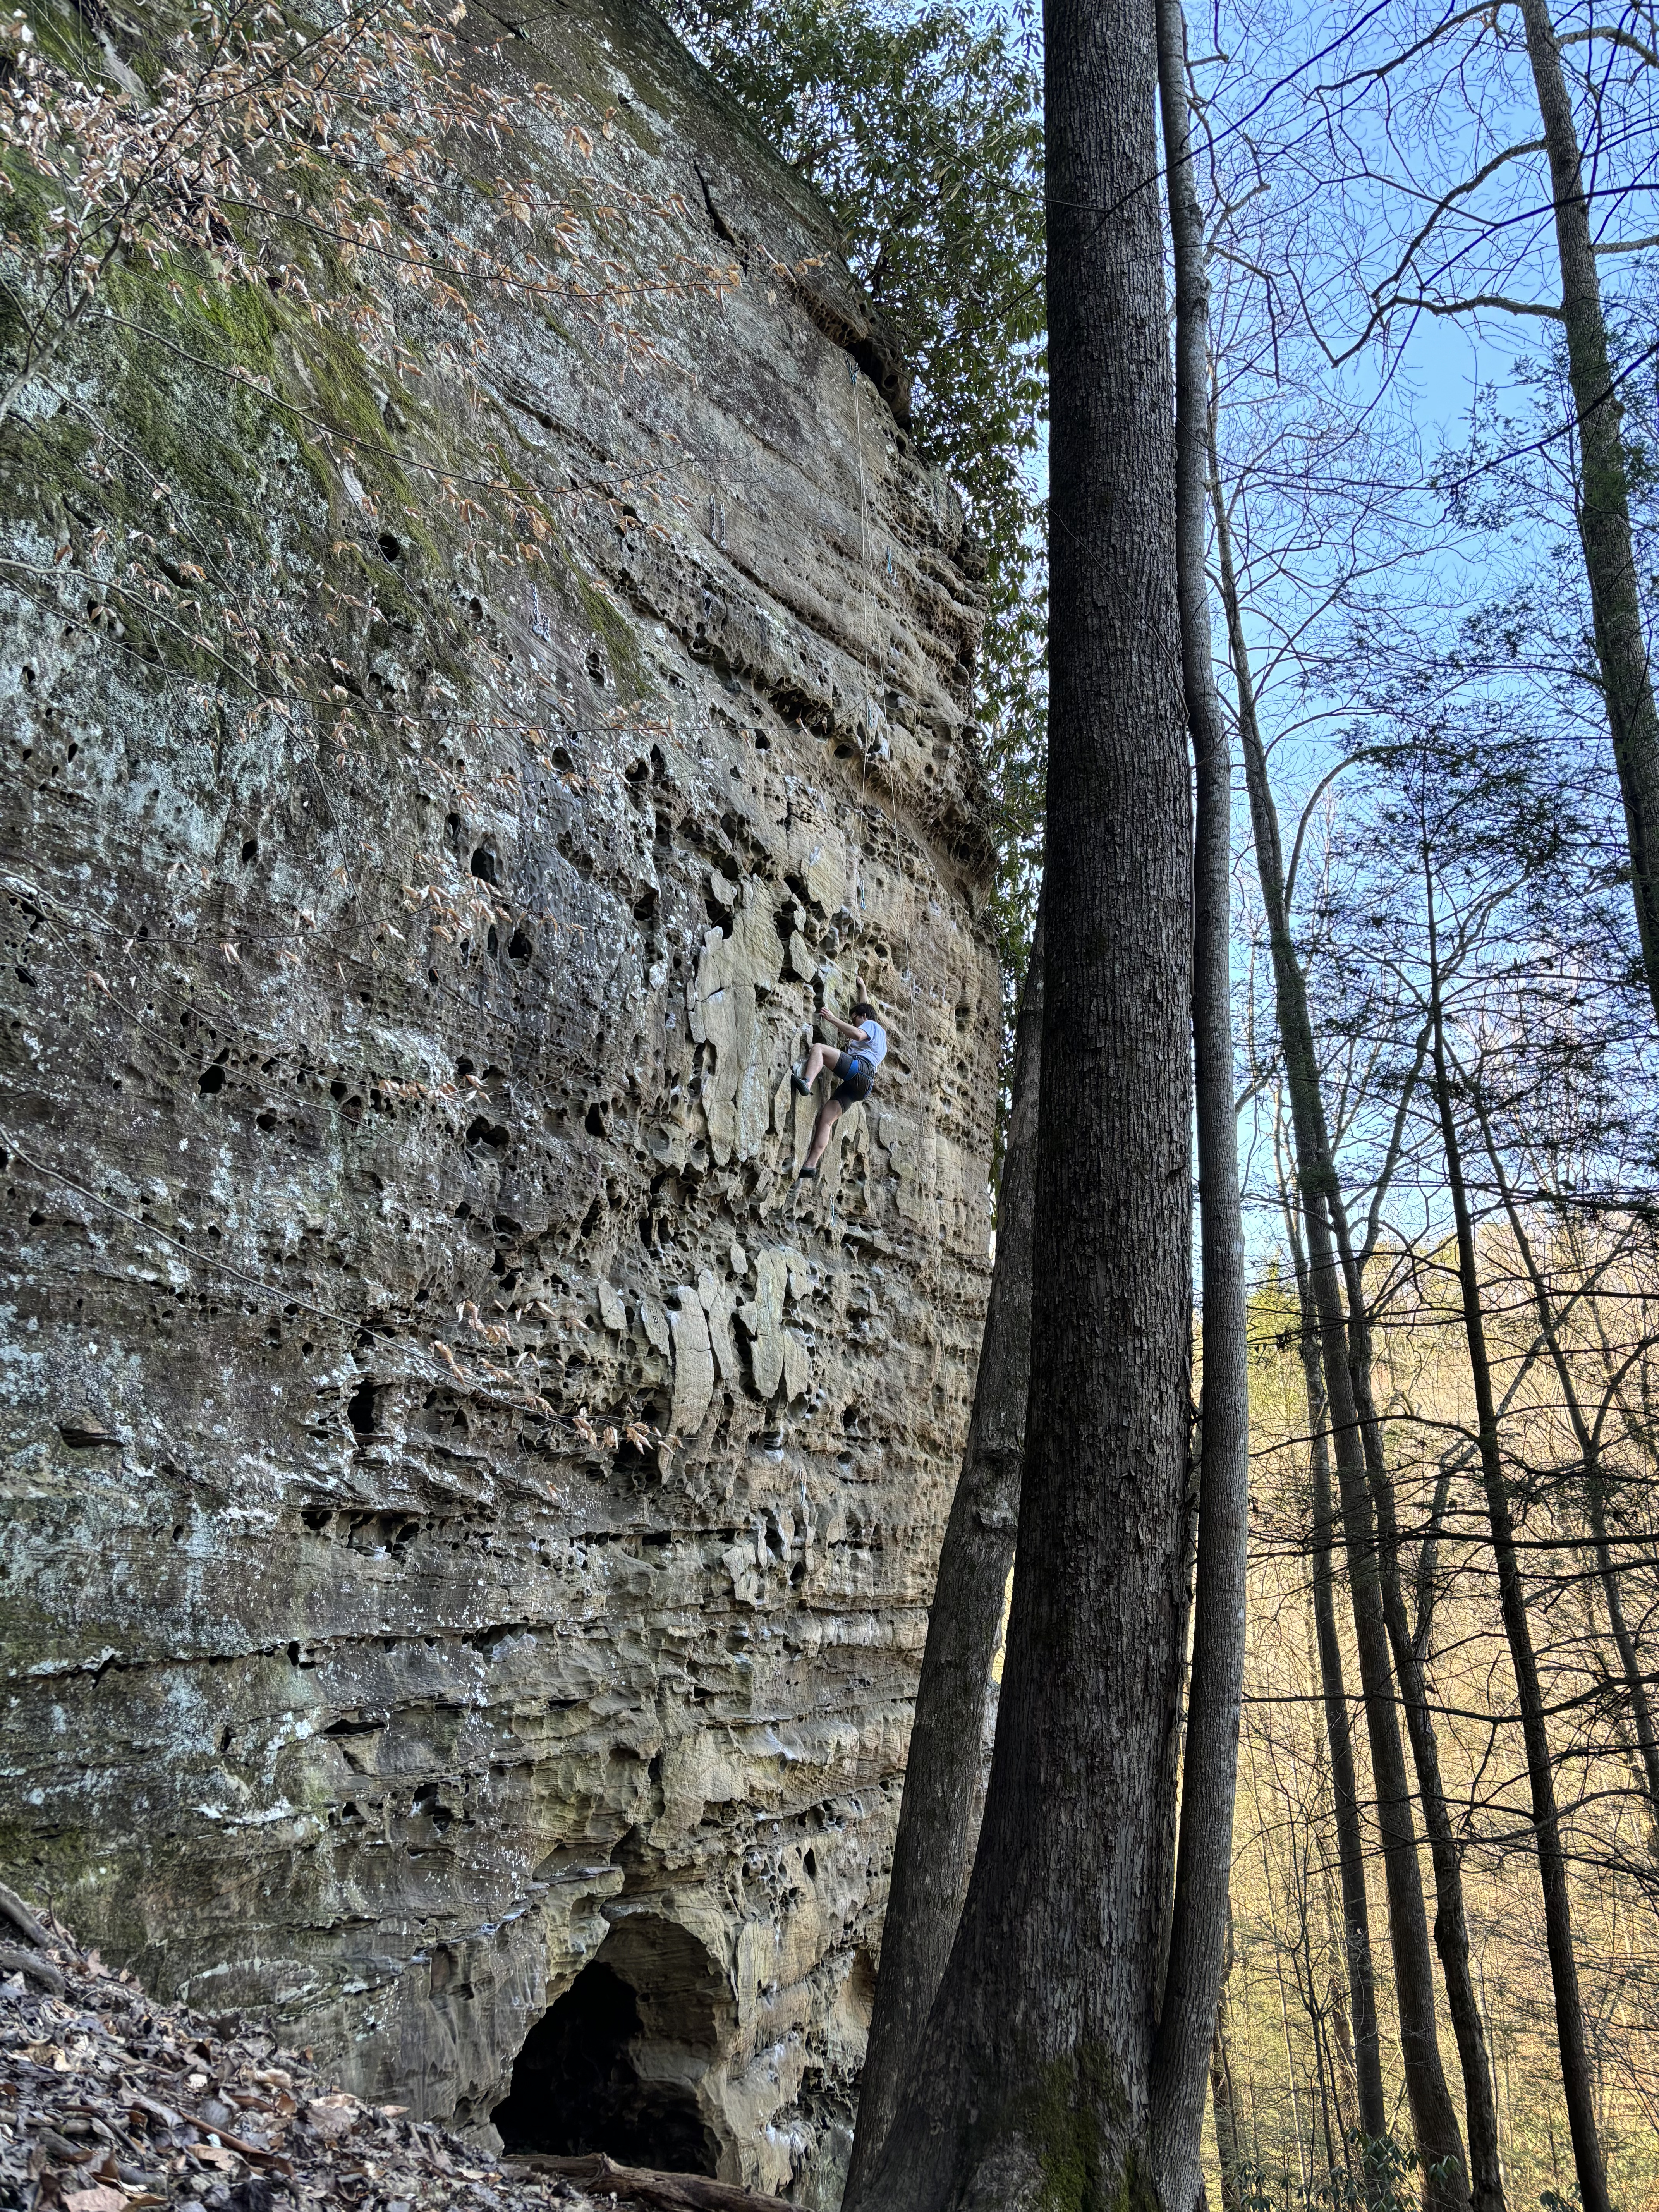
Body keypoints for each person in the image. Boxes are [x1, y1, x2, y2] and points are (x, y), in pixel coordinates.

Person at [791, 978, 890, 1180]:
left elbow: (858, 1034)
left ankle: (807, 1082)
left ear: (864, 1018)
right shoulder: (874, 1029)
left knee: (819, 1049)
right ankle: (810, 1165)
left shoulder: (872, 1025)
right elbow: (865, 1008)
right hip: (863, 1086)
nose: (854, 1023)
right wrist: (863, 987)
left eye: (855, 1019)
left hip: (860, 1069)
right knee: (827, 1119)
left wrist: (833, 1019)